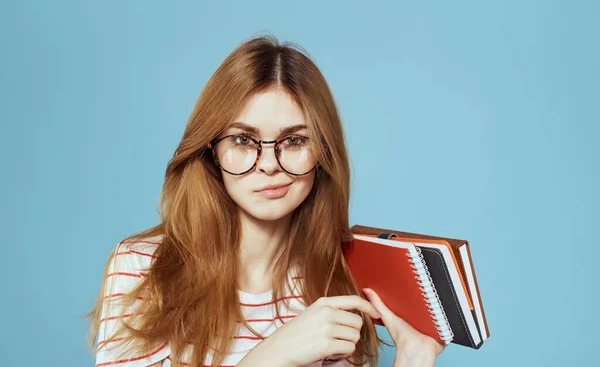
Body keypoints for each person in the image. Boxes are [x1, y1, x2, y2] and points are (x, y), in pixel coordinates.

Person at [87, 35, 445, 367]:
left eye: (294, 141)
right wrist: (275, 354)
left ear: (322, 153)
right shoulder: (143, 268)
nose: (270, 166)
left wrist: (413, 358)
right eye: (244, 140)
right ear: (212, 151)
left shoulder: (335, 283)